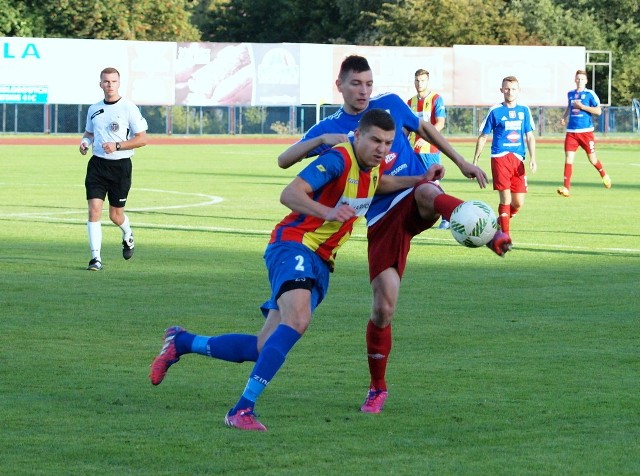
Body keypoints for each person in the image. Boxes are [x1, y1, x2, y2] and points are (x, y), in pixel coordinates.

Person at [150, 109, 413, 431]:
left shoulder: (373, 169)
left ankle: (182, 342)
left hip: (320, 261)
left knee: (264, 346)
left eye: (387, 142)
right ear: (357, 136)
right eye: (375, 140)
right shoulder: (337, 160)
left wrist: (420, 179)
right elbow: (290, 193)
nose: (382, 148)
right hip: (294, 245)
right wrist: (328, 212)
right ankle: (241, 410)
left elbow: (382, 183)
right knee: (298, 319)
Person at [277, 55, 512, 415]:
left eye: (369, 83)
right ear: (339, 85)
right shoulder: (335, 128)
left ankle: (492, 234)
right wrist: (321, 138)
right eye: (356, 84)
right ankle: (377, 388)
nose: (364, 91)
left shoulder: (388, 105)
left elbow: (425, 129)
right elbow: (285, 160)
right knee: (383, 308)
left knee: (428, 193)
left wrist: (462, 161)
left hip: (418, 193)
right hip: (381, 217)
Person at [79, 67, 148, 271]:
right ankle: (96, 259)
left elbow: (142, 139)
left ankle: (127, 234)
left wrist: (117, 146)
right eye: (106, 81)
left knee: (115, 215)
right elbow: (89, 133)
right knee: (94, 211)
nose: (110, 85)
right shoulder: (94, 109)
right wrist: (84, 142)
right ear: (100, 84)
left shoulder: (129, 108)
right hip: (97, 165)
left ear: (119, 83)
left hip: (121, 167)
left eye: (113, 81)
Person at [472, 76, 537, 237]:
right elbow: (483, 136)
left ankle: (500, 221)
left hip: (518, 160)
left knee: (518, 202)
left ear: (518, 90)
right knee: (506, 199)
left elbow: (529, 136)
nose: (510, 92)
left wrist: (533, 158)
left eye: (513, 89)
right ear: (501, 90)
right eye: (507, 89)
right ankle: (505, 235)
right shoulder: (495, 111)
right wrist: (475, 160)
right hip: (500, 157)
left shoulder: (524, 110)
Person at [557, 69, 611, 197]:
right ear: (575, 79)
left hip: (586, 132)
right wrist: (564, 117)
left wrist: (583, 107)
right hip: (571, 132)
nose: (579, 81)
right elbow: (569, 107)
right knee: (569, 159)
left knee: (592, 159)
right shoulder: (570, 94)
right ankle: (566, 188)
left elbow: (598, 111)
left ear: (586, 81)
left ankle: (604, 174)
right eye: (578, 78)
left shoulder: (590, 94)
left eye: (582, 79)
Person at [407, 68, 449, 229]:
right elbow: (407, 126)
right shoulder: (410, 102)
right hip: (413, 151)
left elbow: (440, 123)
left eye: (423, 80)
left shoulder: (436, 99)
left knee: (434, 183)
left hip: (430, 149)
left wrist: (425, 139)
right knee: (414, 182)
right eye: (417, 80)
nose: (419, 83)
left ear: (428, 81)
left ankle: (448, 215)